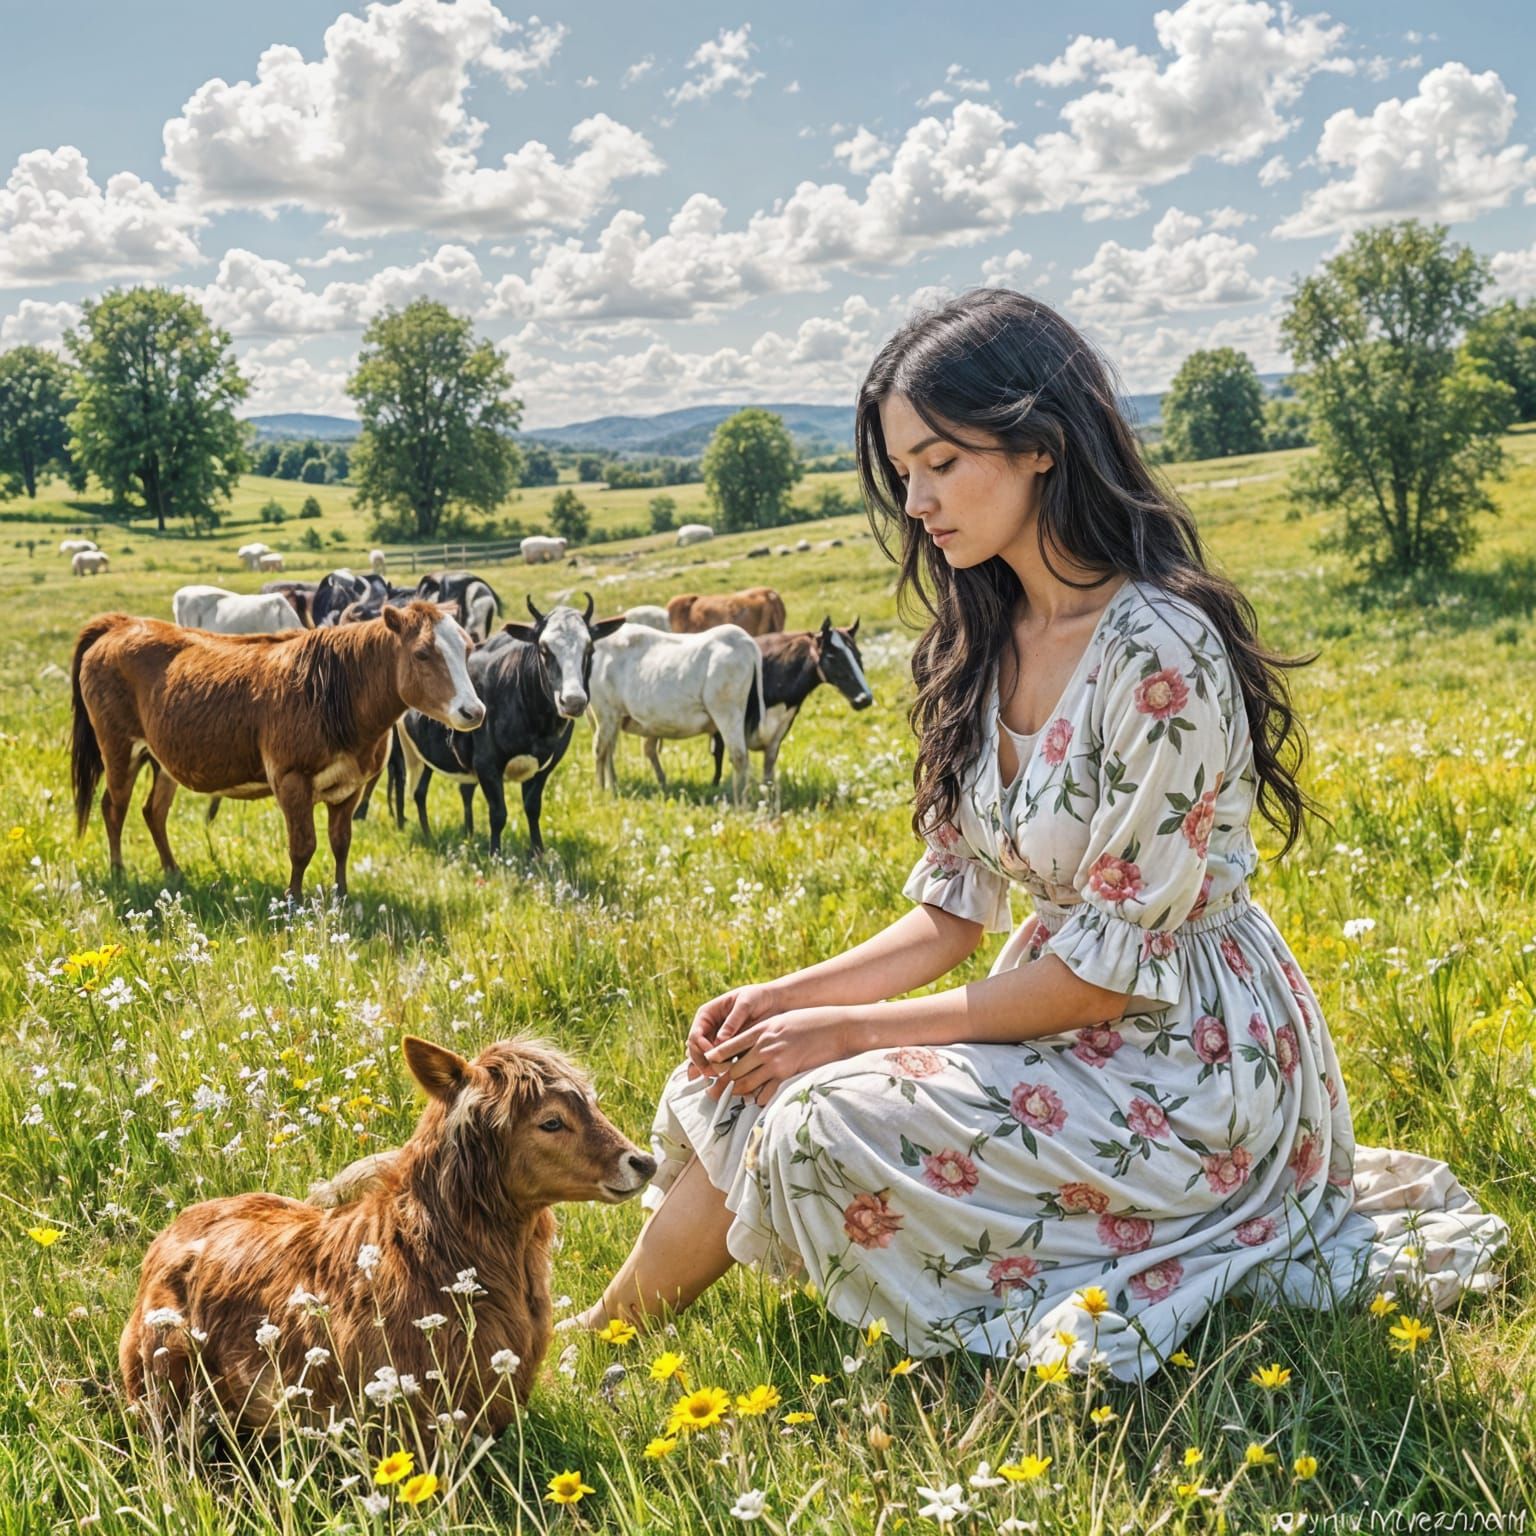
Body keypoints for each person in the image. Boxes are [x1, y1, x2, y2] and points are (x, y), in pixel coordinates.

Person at [569, 290, 1508, 1381]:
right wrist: (788, 1002)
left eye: (939, 462)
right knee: (753, 1074)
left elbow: (1104, 984)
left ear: (1039, 447)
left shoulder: (1158, 652)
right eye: (900, 471)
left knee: (819, 1108)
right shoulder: (974, 640)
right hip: (1045, 1008)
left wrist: (843, 1033)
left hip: (1185, 1054)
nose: (916, 500)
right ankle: (602, 1342)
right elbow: (950, 913)